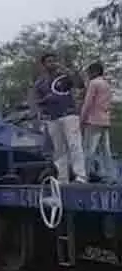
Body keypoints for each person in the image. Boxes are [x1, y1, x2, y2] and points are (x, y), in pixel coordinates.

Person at [34, 52, 87, 183]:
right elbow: (36, 102)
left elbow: (80, 84)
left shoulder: (64, 77)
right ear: (43, 65)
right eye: (49, 61)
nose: (52, 63)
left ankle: (81, 176)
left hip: (69, 115)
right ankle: (63, 178)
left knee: (74, 145)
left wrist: (68, 70)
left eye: (54, 60)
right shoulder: (40, 83)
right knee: (59, 150)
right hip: (52, 118)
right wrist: (44, 103)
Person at [81, 62, 115, 183]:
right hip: (105, 120)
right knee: (106, 150)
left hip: (93, 120)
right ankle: (111, 176)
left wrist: (82, 119)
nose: (88, 75)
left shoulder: (94, 83)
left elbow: (88, 103)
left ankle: (84, 175)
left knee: (89, 149)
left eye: (89, 72)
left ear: (94, 72)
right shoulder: (106, 84)